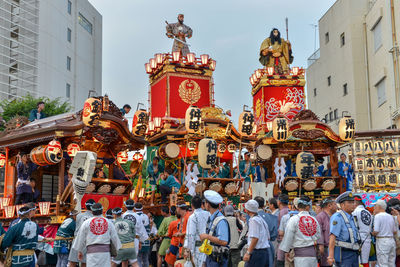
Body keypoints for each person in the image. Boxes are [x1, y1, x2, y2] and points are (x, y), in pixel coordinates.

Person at [280, 196, 321, 266]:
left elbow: (288, 237)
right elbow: (318, 235)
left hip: (300, 256)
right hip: (313, 255)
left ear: (298, 207)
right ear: (308, 207)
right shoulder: (314, 219)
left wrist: (286, 251)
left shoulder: (294, 219)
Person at [327, 192, 360, 267]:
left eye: (353, 202)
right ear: (342, 205)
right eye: (350, 202)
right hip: (343, 253)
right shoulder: (338, 217)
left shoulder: (353, 217)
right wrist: (331, 256)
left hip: (354, 253)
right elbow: (332, 237)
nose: (353, 204)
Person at [199, 190, 230, 267]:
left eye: (205, 202)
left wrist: (206, 236)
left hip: (218, 260)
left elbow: (224, 241)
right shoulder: (212, 218)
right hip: (211, 258)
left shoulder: (220, 220)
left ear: (208, 204)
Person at [184, 195, 210, 267]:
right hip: (209, 246)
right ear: (202, 204)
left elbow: (191, 235)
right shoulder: (208, 214)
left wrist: (189, 250)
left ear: (192, 205)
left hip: (197, 248)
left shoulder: (192, 217)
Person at [242, 199, 270, 267]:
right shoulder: (260, 219)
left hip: (257, 252)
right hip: (264, 252)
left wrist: (248, 253)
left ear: (247, 210)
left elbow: (255, 238)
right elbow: (268, 237)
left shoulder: (253, 220)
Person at [68, 199, 95, 267]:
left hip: (76, 240)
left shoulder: (79, 216)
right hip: (87, 241)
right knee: (84, 262)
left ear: (85, 206)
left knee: (72, 261)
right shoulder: (94, 218)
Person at [372, 199, 397, 267]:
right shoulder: (390, 216)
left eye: (375, 206)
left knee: (383, 262)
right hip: (391, 240)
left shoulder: (378, 216)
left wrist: (372, 233)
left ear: (379, 207)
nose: (374, 208)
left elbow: (376, 231)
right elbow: (394, 231)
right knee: (391, 262)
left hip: (382, 240)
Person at [254, 196, 278, 267]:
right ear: (264, 205)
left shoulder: (251, 217)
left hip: (255, 247)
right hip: (268, 246)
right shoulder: (272, 217)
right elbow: (274, 234)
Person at [316, 197, 336, 267]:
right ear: (329, 206)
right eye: (335, 204)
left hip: (332, 247)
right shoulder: (320, 216)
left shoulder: (333, 216)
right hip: (325, 247)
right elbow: (319, 232)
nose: (336, 206)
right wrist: (320, 245)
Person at [352, 195, 372, 267]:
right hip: (367, 238)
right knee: (365, 260)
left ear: (355, 203)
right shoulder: (368, 212)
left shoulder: (355, 212)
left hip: (359, 239)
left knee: (359, 261)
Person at [135, 202, 151, 267]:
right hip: (146, 240)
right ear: (142, 208)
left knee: (138, 259)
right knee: (145, 259)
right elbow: (148, 228)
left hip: (138, 240)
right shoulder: (146, 216)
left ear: (134, 208)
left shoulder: (134, 216)